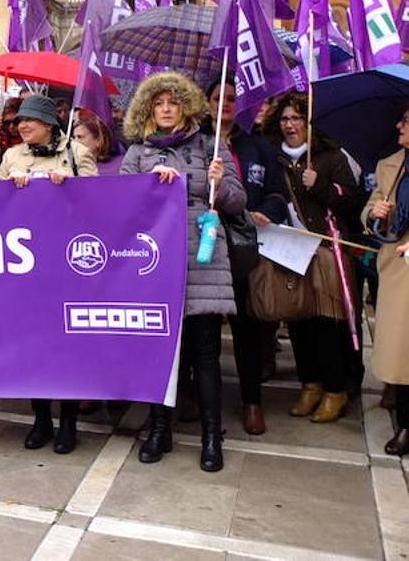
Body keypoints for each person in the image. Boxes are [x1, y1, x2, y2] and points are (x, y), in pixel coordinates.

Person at [121, 71, 244, 473]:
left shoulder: (211, 146)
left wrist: (220, 183)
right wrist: (150, 187)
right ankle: (160, 430)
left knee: (205, 354)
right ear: (148, 110)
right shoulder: (138, 153)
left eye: (173, 102)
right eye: (159, 103)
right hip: (154, 262)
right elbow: (119, 206)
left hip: (201, 260)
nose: (167, 109)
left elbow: (237, 202)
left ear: (186, 105)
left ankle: (212, 436)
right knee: (162, 353)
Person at [0, 94, 97, 453]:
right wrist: (11, 188)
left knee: (66, 346)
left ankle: (68, 421)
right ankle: (41, 419)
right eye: (19, 121)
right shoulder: (12, 157)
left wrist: (69, 187)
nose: (23, 126)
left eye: (31, 121)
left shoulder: (77, 154)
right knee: (33, 345)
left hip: (66, 262)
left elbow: (101, 204)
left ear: (49, 124)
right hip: (26, 264)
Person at [262, 92, 363, 424]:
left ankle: (336, 391)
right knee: (298, 322)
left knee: (327, 325)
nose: (290, 125)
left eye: (297, 119)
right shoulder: (275, 157)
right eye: (285, 119)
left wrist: (320, 185)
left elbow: (353, 202)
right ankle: (310, 385)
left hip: (327, 251)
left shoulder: (331, 157)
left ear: (309, 123)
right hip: (290, 250)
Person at [207, 81, 288, 437]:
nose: (223, 104)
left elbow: (278, 194)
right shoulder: (194, 142)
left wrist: (266, 211)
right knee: (204, 327)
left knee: (248, 329)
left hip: (245, 248)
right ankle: (196, 395)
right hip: (204, 247)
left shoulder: (259, 147)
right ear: (206, 104)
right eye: (216, 98)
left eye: (231, 99)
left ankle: (252, 401)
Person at [365, 107, 409, 454]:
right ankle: (407, 425)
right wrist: (376, 213)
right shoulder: (390, 165)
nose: (399, 125)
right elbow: (370, 210)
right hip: (398, 270)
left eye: (406, 121)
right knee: (401, 353)